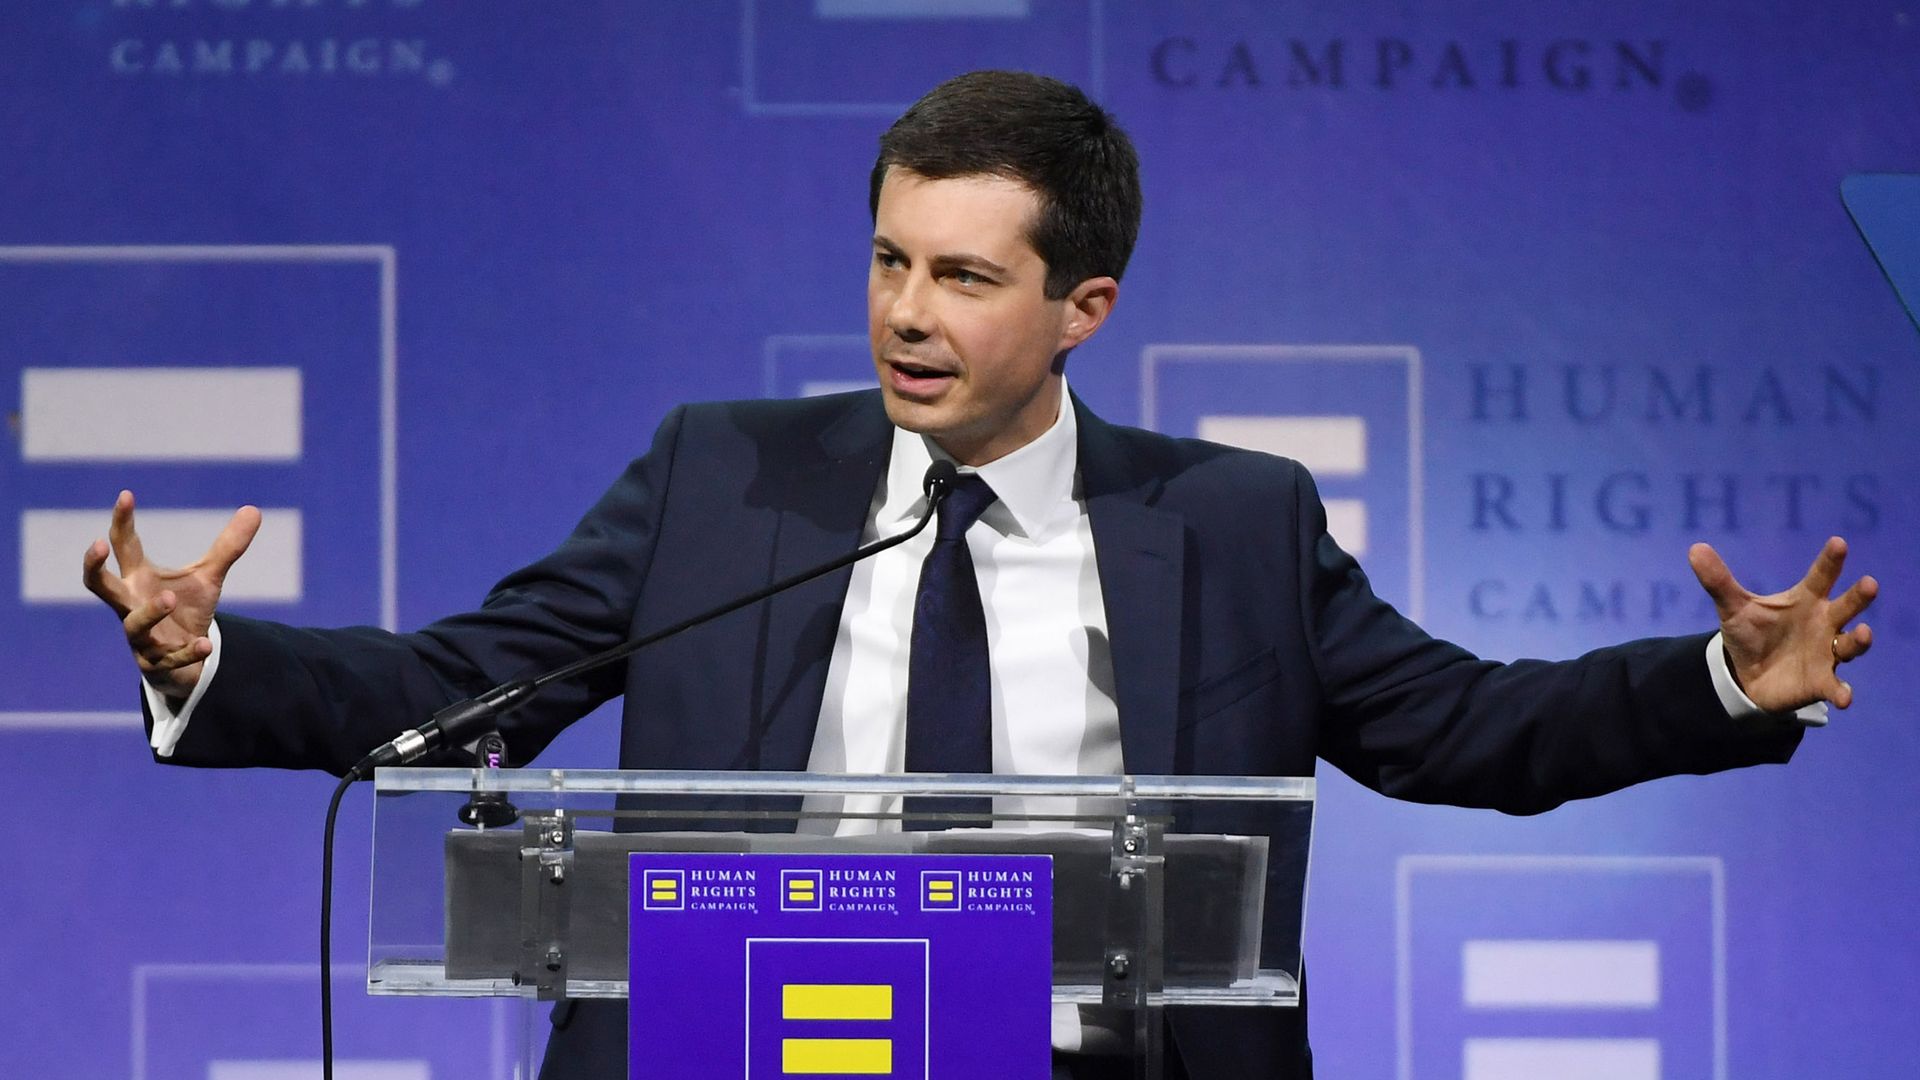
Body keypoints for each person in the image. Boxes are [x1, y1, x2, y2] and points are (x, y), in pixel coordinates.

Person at [83, 71, 1876, 1079]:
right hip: (741, 1055)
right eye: (886, 260)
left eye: (961, 277)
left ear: (1083, 307)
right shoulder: (727, 474)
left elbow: (1463, 729)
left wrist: (1718, 682)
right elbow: (469, 691)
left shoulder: (1233, 521)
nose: (904, 316)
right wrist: (207, 660)